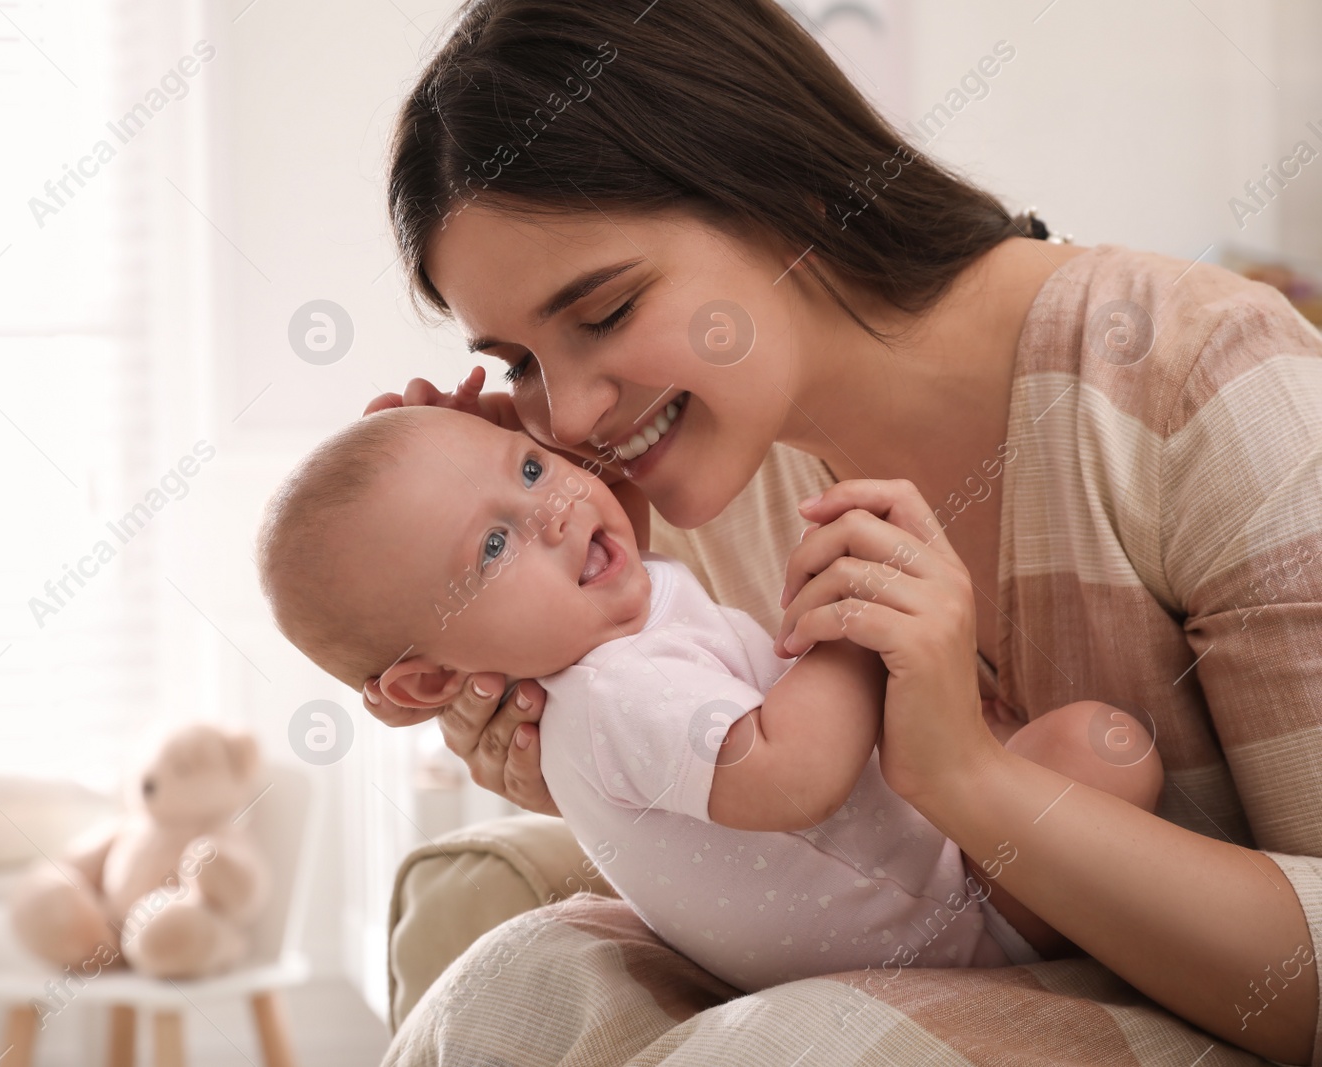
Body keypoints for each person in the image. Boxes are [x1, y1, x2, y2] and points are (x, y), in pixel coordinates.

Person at [364, 0, 1322, 1061]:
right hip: (929, 974)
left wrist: (967, 776)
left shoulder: (1196, 378)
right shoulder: (679, 476)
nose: (572, 413)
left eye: (604, 314)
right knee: (509, 984)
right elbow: (786, 855)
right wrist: (441, 573)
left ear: (783, 189)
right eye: (522, 364)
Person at [256, 405, 1165, 990]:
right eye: (493, 547)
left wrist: (560, 455)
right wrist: (852, 621)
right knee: (1099, 744)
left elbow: (623, 542)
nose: (556, 511)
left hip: (924, 880)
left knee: (1046, 745)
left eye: (528, 469)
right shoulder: (610, 693)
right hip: (934, 931)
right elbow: (792, 771)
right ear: (430, 680)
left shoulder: (594, 637)